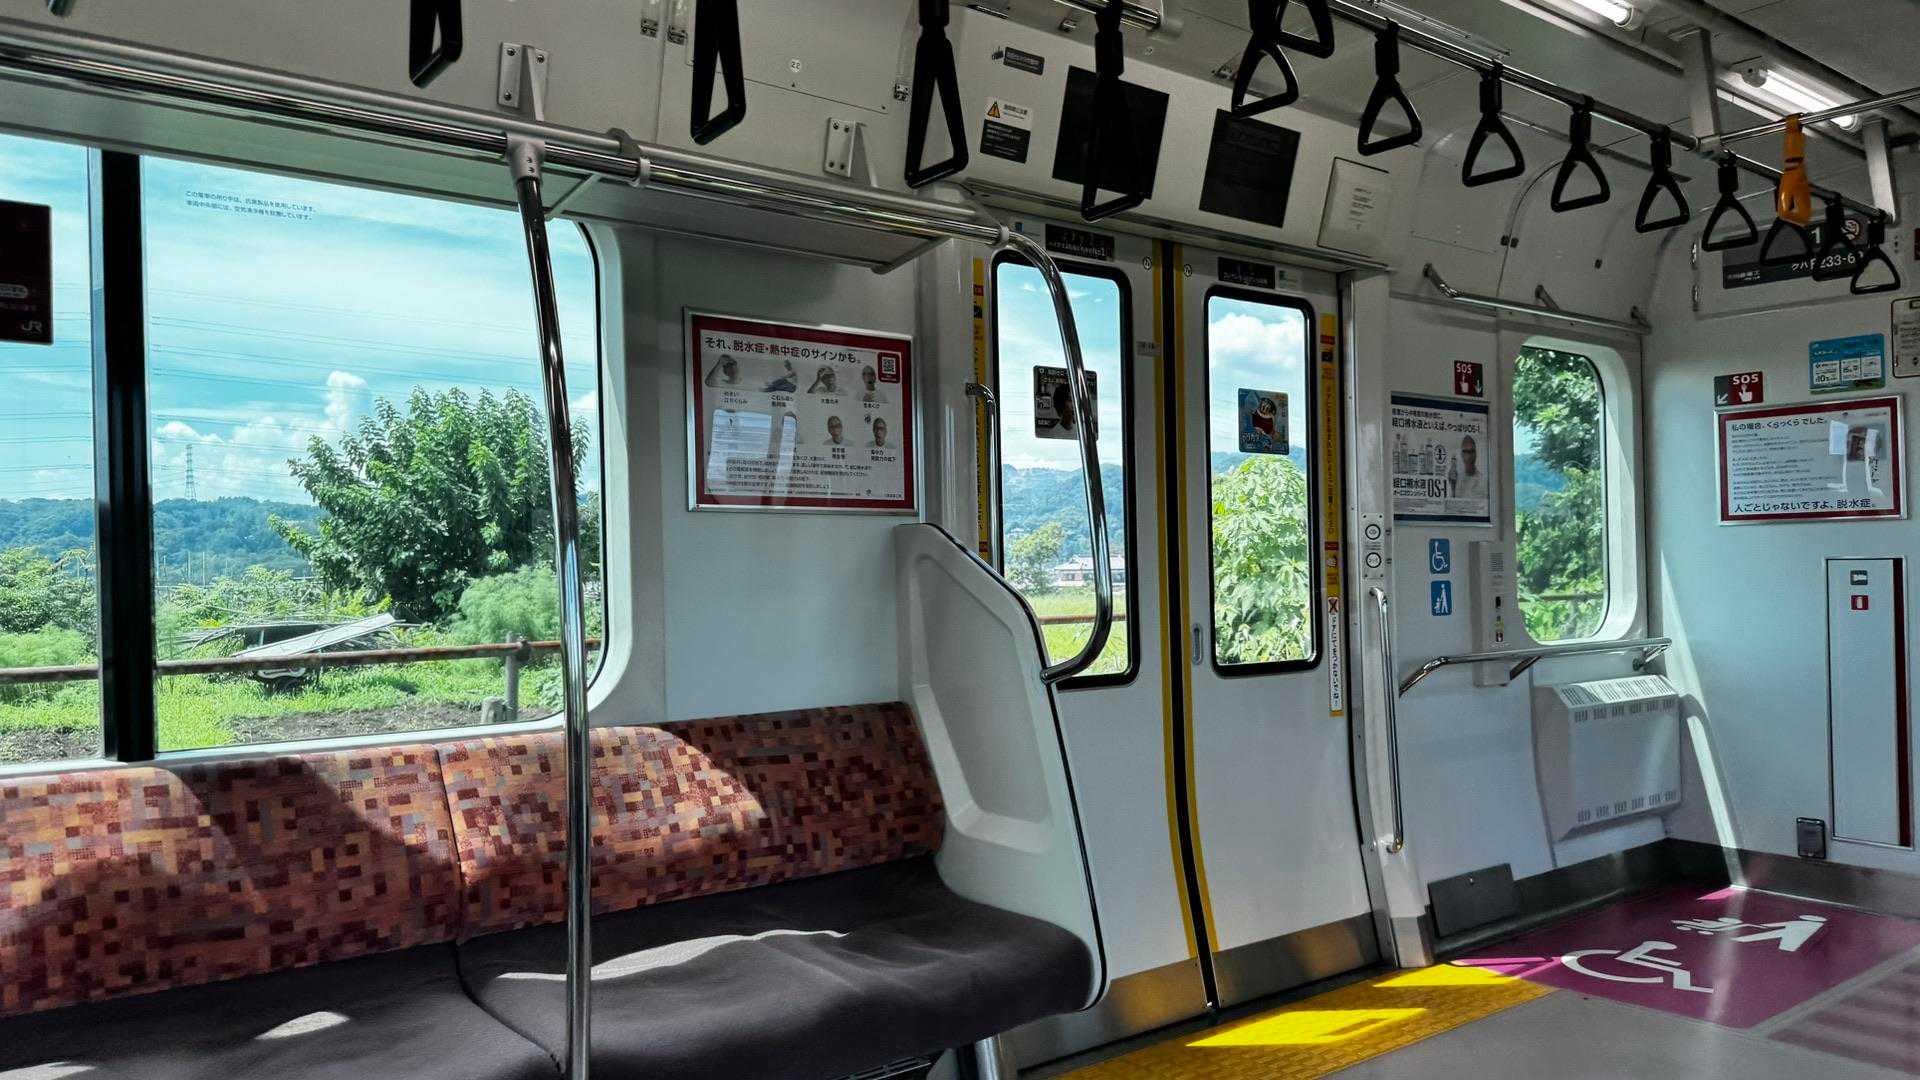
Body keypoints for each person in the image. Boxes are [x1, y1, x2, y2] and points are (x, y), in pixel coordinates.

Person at [1456, 434, 1489, 502]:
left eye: (1471, 452)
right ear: (1461, 454)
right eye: (1465, 452)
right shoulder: (1456, 481)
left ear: (1475, 454)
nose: (1468, 456)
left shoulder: (1484, 482)